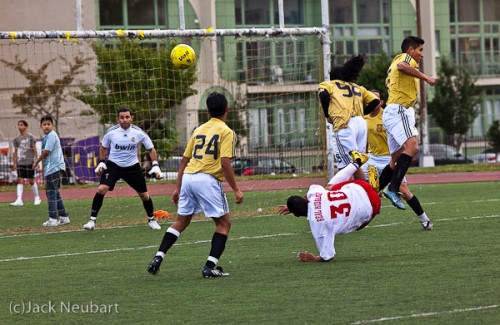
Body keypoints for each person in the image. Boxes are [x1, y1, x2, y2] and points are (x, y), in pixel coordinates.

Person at [147, 92, 244, 277]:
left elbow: (184, 161)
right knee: (224, 224)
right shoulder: (227, 132)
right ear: (227, 110)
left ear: (207, 110)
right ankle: (210, 267)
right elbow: (225, 163)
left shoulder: (199, 129)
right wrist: (237, 190)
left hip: (189, 177)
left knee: (181, 221)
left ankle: (158, 257)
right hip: (207, 180)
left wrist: (177, 187)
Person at [278, 150, 380, 262]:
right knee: (329, 188)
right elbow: (309, 196)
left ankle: (376, 191)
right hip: (360, 187)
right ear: (304, 199)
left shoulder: (318, 226)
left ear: (297, 215)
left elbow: (327, 256)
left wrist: (312, 258)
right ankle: (357, 163)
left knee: (352, 223)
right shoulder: (314, 193)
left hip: (371, 208)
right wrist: (293, 207)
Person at [82, 107, 163, 231]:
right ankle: (92, 221)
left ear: (132, 118)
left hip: (132, 167)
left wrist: (156, 164)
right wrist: (102, 162)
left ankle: (151, 219)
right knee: (101, 189)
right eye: (122, 117)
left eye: (127, 117)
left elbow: (151, 149)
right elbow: (103, 147)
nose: (124, 120)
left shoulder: (139, 132)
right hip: (114, 165)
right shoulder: (111, 132)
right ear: (118, 119)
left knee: (144, 195)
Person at [363, 90, 433, 230]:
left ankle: (424, 220)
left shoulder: (389, 117)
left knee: (404, 190)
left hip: (389, 159)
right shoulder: (364, 117)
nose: (372, 101)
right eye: (370, 99)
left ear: (381, 102)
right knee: (361, 188)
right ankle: (356, 221)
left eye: (375, 99)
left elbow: (401, 140)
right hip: (371, 159)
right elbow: (365, 140)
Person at [382, 36, 436, 209]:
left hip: (392, 111)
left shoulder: (394, 64)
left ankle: (373, 190)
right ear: (410, 49)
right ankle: (393, 188)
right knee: (412, 147)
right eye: (420, 50)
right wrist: (426, 77)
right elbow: (402, 67)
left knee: (394, 160)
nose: (421, 54)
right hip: (399, 110)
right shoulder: (405, 58)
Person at [318, 54, 380, 180]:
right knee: (355, 164)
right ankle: (363, 191)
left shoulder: (329, 84)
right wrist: (362, 113)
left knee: (345, 166)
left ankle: (352, 191)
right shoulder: (357, 87)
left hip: (345, 124)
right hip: (360, 123)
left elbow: (323, 96)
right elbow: (375, 101)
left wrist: (327, 114)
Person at [32, 116, 70, 227]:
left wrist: (36, 162)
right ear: (41, 126)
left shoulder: (52, 135)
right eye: (44, 124)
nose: (46, 126)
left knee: (51, 193)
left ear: (52, 125)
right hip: (53, 168)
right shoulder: (47, 136)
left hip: (55, 168)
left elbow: (46, 152)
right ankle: (64, 217)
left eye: (49, 124)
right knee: (55, 193)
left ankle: (53, 219)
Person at [11, 120, 42, 206]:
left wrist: (36, 160)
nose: (19, 127)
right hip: (20, 163)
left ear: (25, 126)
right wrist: (14, 163)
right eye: (18, 125)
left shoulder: (30, 137)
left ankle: (37, 197)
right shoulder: (16, 139)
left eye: (21, 125)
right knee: (19, 180)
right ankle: (19, 199)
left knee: (31, 181)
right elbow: (15, 151)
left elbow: (34, 149)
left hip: (29, 162)